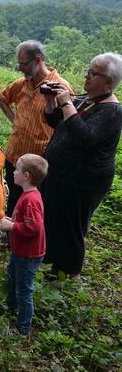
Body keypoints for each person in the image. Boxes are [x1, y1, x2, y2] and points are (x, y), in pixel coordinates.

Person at [40, 52, 122, 280]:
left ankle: (68, 274)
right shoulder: (86, 99)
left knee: (70, 228)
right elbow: (57, 122)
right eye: (88, 71)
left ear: (107, 80)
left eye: (92, 73)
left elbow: (84, 137)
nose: (86, 77)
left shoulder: (112, 111)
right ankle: (50, 266)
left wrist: (66, 102)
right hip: (60, 174)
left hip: (82, 182)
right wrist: (51, 102)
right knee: (54, 220)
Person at [0, 40, 73, 216]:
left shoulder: (60, 87)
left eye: (24, 64)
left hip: (37, 162)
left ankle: (28, 235)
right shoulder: (21, 84)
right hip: (14, 155)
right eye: (19, 63)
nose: (20, 68)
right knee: (14, 199)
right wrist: (14, 119)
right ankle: (11, 232)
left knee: (31, 203)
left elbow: (68, 124)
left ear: (38, 60)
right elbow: (2, 98)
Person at [0, 154, 48, 336]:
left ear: (26, 175)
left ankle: (23, 328)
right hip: (20, 251)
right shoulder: (28, 194)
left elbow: (33, 227)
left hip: (28, 254)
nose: (13, 172)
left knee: (24, 290)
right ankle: (10, 307)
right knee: (11, 277)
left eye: (17, 169)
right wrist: (12, 220)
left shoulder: (31, 200)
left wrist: (12, 226)